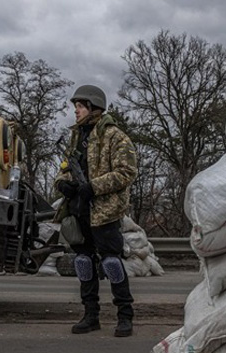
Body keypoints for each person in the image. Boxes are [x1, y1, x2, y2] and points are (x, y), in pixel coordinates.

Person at [53, 84, 138, 337]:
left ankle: (125, 316)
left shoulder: (115, 136)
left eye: (79, 106)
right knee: (83, 262)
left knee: (112, 262)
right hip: (79, 209)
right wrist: (62, 184)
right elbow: (65, 167)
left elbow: (127, 172)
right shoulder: (75, 137)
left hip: (104, 211)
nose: (76, 111)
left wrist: (94, 187)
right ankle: (91, 316)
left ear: (93, 107)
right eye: (76, 107)